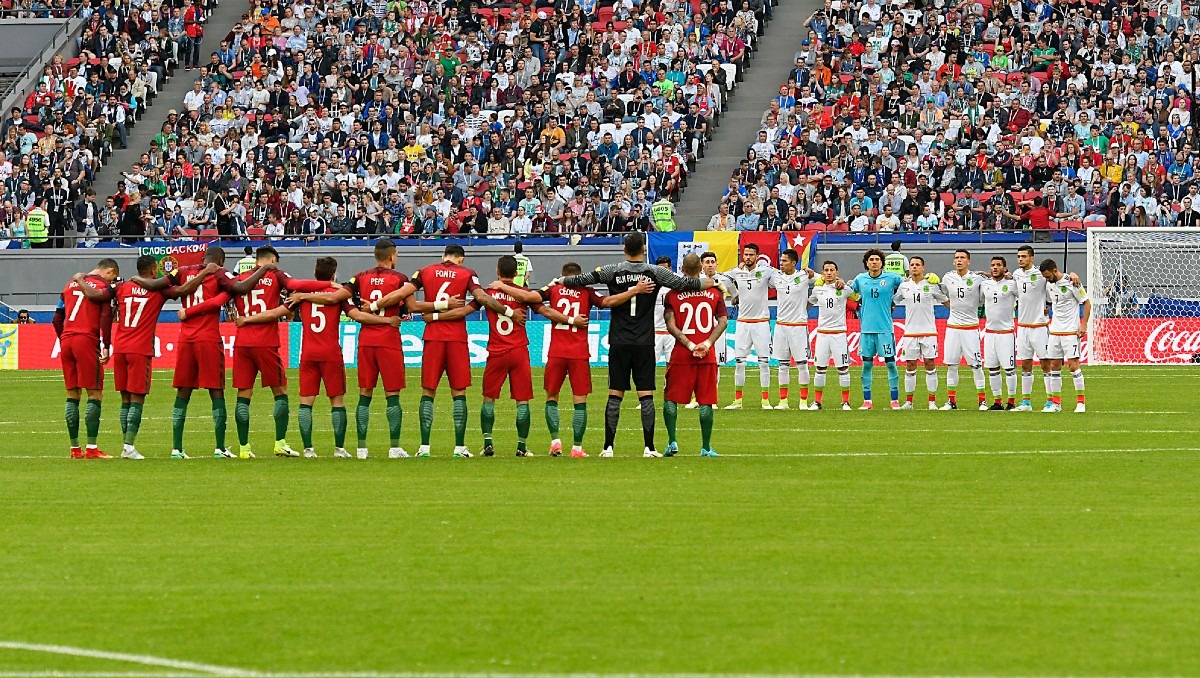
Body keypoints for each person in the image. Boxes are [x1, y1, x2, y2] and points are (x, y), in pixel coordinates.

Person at [556, 232, 725, 458]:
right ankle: (649, 448)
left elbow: (582, 279)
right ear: (644, 249)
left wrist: (561, 281)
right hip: (645, 340)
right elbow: (687, 283)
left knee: (615, 394)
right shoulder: (655, 272)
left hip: (618, 339)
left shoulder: (612, 271)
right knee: (645, 394)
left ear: (624, 249)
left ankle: (608, 447)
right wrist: (714, 282)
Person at [297, 240, 445, 458]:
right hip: (388, 341)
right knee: (392, 395)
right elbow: (413, 307)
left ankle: (361, 449)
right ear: (392, 255)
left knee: (365, 394)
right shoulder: (400, 279)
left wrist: (304, 295)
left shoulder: (359, 277)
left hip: (365, 340)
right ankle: (394, 448)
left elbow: (334, 297)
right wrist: (443, 305)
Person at [371, 244, 522, 458]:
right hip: (456, 338)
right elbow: (482, 298)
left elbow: (407, 301)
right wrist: (508, 311)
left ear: (444, 256)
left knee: (428, 392)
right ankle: (459, 447)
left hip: (432, 337)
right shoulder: (467, 273)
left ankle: (424, 448)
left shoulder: (425, 271)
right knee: (458, 393)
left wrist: (375, 305)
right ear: (461, 259)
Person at [493, 264, 648, 457]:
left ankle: (555, 442)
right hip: (579, 354)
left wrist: (501, 286)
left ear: (562, 276)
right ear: (580, 277)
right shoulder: (587, 291)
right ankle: (576, 447)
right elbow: (609, 302)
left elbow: (528, 297)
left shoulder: (554, 289)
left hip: (556, 352)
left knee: (551, 398)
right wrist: (634, 290)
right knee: (580, 401)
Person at [137, 246, 272, 459]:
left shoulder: (181, 271)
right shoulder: (219, 272)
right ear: (220, 259)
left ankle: (176, 449)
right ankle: (219, 448)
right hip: (208, 338)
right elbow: (243, 287)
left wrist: (135, 280)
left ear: (204, 257)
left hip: (186, 339)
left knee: (183, 392)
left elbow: (156, 285)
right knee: (216, 391)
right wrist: (264, 270)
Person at [451, 255, 573, 457]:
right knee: (522, 401)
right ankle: (521, 447)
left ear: (497, 272)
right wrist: (570, 320)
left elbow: (466, 310)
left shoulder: (489, 292)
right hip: (518, 351)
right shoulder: (523, 293)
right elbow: (546, 311)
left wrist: (437, 314)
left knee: (488, 399)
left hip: (496, 352)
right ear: (517, 274)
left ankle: (488, 443)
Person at [282, 257, 401, 458]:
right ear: (333, 275)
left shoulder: (301, 295)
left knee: (306, 401)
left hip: (308, 353)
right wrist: (386, 320)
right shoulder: (338, 295)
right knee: (336, 401)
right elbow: (357, 316)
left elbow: (286, 315)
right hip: (330, 353)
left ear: (314, 275)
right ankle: (339, 449)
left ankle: (308, 450)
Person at [229, 246, 332, 459]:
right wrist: (328, 284)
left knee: (243, 394)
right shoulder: (275, 274)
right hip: (265, 341)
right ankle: (280, 443)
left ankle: (243, 448)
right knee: (281, 391)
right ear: (273, 260)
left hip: (242, 342)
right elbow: (296, 285)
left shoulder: (240, 278)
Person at [112, 255, 212, 459]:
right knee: (137, 398)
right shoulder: (156, 290)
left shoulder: (123, 287)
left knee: (125, 400)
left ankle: (126, 445)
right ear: (152, 270)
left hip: (120, 347)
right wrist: (205, 273)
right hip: (139, 348)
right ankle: (129, 446)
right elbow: (184, 290)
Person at [662, 253, 728, 458]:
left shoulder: (672, 294)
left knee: (670, 398)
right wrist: (707, 343)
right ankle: (706, 447)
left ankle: (672, 442)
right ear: (701, 268)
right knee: (706, 401)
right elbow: (723, 321)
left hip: (682, 354)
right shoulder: (715, 293)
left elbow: (670, 324)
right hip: (706, 355)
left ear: (681, 270)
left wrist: (690, 345)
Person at [53, 260, 119, 458]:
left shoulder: (68, 284)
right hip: (87, 340)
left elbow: (57, 319)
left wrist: (64, 338)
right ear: (110, 271)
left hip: (67, 341)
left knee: (72, 395)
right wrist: (106, 345)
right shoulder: (104, 287)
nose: (112, 280)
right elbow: (106, 317)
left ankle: (75, 449)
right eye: (113, 277)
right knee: (94, 393)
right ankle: (91, 448)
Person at [722, 243, 776, 410]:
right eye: (745, 254)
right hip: (743, 323)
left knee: (764, 363)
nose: (747, 257)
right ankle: (738, 401)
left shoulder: (766, 271)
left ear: (757, 256)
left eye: (751, 255)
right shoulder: (736, 272)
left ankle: (765, 401)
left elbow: (778, 283)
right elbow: (722, 280)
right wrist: (735, 294)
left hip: (761, 323)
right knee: (739, 362)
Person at [849, 248, 904, 409]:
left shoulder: (893, 278)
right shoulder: (860, 279)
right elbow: (848, 292)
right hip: (866, 329)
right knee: (866, 365)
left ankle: (894, 400)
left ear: (882, 262)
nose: (874, 262)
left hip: (885, 329)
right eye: (871, 260)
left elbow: (908, 286)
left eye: (877, 259)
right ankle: (867, 401)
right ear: (866, 263)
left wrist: (893, 302)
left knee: (891, 364)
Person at [892, 257, 945, 409]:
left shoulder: (931, 284)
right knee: (910, 365)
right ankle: (908, 402)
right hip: (910, 332)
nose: (914, 267)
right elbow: (892, 302)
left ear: (923, 267)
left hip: (929, 331)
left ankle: (932, 402)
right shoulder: (904, 286)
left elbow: (946, 300)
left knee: (930, 363)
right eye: (912, 265)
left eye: (917, 265)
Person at [939, 249, 988, 410]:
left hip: (971, 328)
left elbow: (985, 296)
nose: (959, 260)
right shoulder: (947, 277)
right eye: (956, 258)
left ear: (969, 261)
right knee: (952, 365)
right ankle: (951, 401)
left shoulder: (977, 279)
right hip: (952, 328)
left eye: (962, 258)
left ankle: (982, 401)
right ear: (954, 261)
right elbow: (939, 294)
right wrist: (950, 306)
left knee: (976, 365)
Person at [1040, 259, 1091, 413]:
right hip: (1055, 331)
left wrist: (1084, 324)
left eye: (1048, 276)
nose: (1047, 279)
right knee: (1054, 366)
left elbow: (1087, 303)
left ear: (1055, 271)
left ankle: (1081, 403)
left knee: (1073, 366)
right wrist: (1046, 309)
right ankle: (1056, 404)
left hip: (1070, 331)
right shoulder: (1049, 284)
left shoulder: (1072, 282)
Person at [768, 248, 815, 409]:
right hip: (781, 326)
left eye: (784, 261)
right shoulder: (776, 277)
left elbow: (824, 280)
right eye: (781, 261)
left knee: (802, 364)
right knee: (783, 365)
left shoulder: (804, 276)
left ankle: (803, 401)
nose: (781, 263)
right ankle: (783, 401)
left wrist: (839, 281)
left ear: (794, 263)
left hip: (798, 327)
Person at [807, 261, 855, 410]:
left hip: (839, 334)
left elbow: (858, 297)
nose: (829, 272)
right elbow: (808, 304)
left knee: (843, 368)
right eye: (826, 270)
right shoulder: (817, 290)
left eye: (832, 270)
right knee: (820, 368)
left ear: (837, 272)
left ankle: (845, 402)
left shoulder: (845, 289)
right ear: (823, 273)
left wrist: (846, 284)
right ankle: (817, 402)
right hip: (822, 334)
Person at [1013, 245, 1053, 411]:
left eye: (1023, 256)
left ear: (1032, 258)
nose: (1020, 259)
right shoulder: (1016, 274)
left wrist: (1071, 276)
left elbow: (1055, 280)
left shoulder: (1040, 274)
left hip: (1039, 325)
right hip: (1022, 326)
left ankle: (1051, 400)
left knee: (1045, 364)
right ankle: (1026, 402)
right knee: (1025, 364)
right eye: (1019, 256)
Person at [981, 256, 1019, 410]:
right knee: (993, 369)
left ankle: (1011, 402)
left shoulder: (1012, 284)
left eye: (998, 265)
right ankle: (997, 401)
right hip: (990, 333)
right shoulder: (985, 285)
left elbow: (1027, 295)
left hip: (1006, 333)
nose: (995, 267)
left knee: (1009, 369)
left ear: (1005, 268)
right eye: (992, 265)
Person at [652, 256, 676, 365]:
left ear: (670, 268)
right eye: (659, 269)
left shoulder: (677, 283)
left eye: (664, 269)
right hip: (654, 331)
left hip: (673, 332)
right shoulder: (650, 284)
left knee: (672, 365)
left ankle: (670, 383)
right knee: (649, 365)